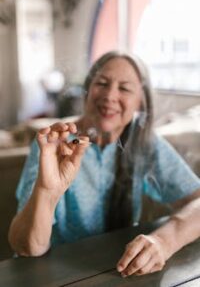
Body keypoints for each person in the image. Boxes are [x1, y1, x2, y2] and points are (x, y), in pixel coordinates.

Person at [9, 51, 200, 277]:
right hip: (55, 275)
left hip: (117, 273)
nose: (110, 95)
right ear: (88, 90)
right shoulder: (55, 144)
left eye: (125, 88)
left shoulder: (144, 144)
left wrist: (163, 242)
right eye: (102, 83)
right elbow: (27, 247)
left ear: (140, 101)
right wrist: (47, 191)